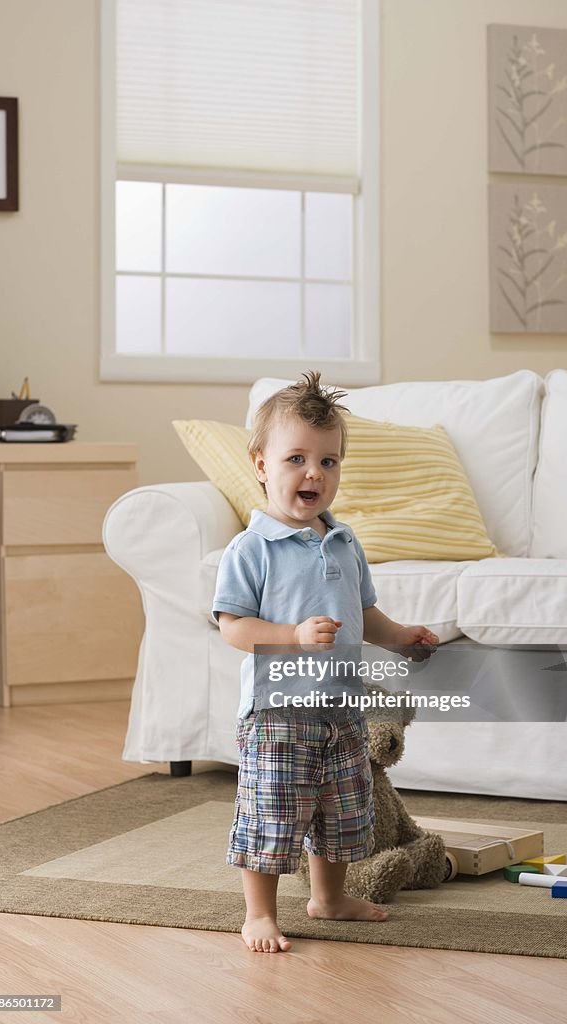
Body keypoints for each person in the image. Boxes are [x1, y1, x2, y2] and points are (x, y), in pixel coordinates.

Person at [212, 371, 439, 953]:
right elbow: (233, 627)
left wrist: (401, 635)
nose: (314, 473)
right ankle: (259, 912)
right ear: (261, 465)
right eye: (297, 459)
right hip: (279, 712)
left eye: (329, 461)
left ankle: (329, 898)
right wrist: (291, 634)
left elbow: (365, 613)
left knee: (341, 810)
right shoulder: (251, 549)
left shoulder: (344, 541)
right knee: (273, 810)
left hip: (341, 706)